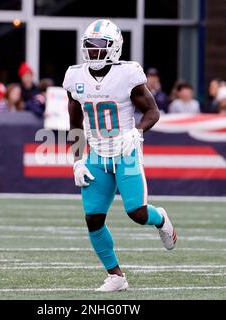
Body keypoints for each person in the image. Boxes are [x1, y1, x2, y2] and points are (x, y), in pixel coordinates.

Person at [64, 19, 177, 292]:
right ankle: (116, 276)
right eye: (89, 46)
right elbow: (75, 124)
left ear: (114, 49)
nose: (93, 52)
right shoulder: (75, 77)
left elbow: (153, 112)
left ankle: (160, 218)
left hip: (125, 151)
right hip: (97, 153)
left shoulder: (128, 74)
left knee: (136, 213)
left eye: (99, 46)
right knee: (93, 218)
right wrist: (78, 160)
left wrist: (137, 133)